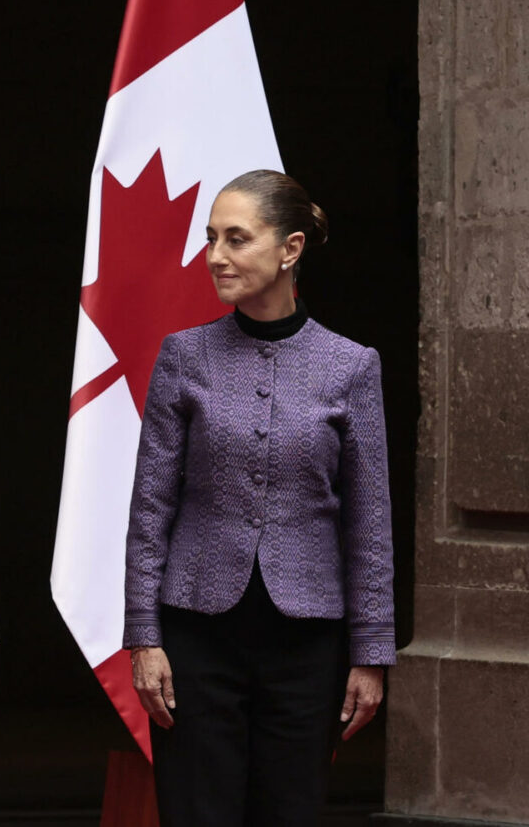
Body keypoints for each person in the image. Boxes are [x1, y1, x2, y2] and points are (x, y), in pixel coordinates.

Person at [123, 169, 395, 826]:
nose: (215, 255)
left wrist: (371, 653)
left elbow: (369, 521)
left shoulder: (351, 366)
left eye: (236, 239)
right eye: (211, 237)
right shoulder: (184, 357)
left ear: (290, 248)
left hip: (308, 646)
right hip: (195, 639)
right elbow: (150, 508)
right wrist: (144, 636)